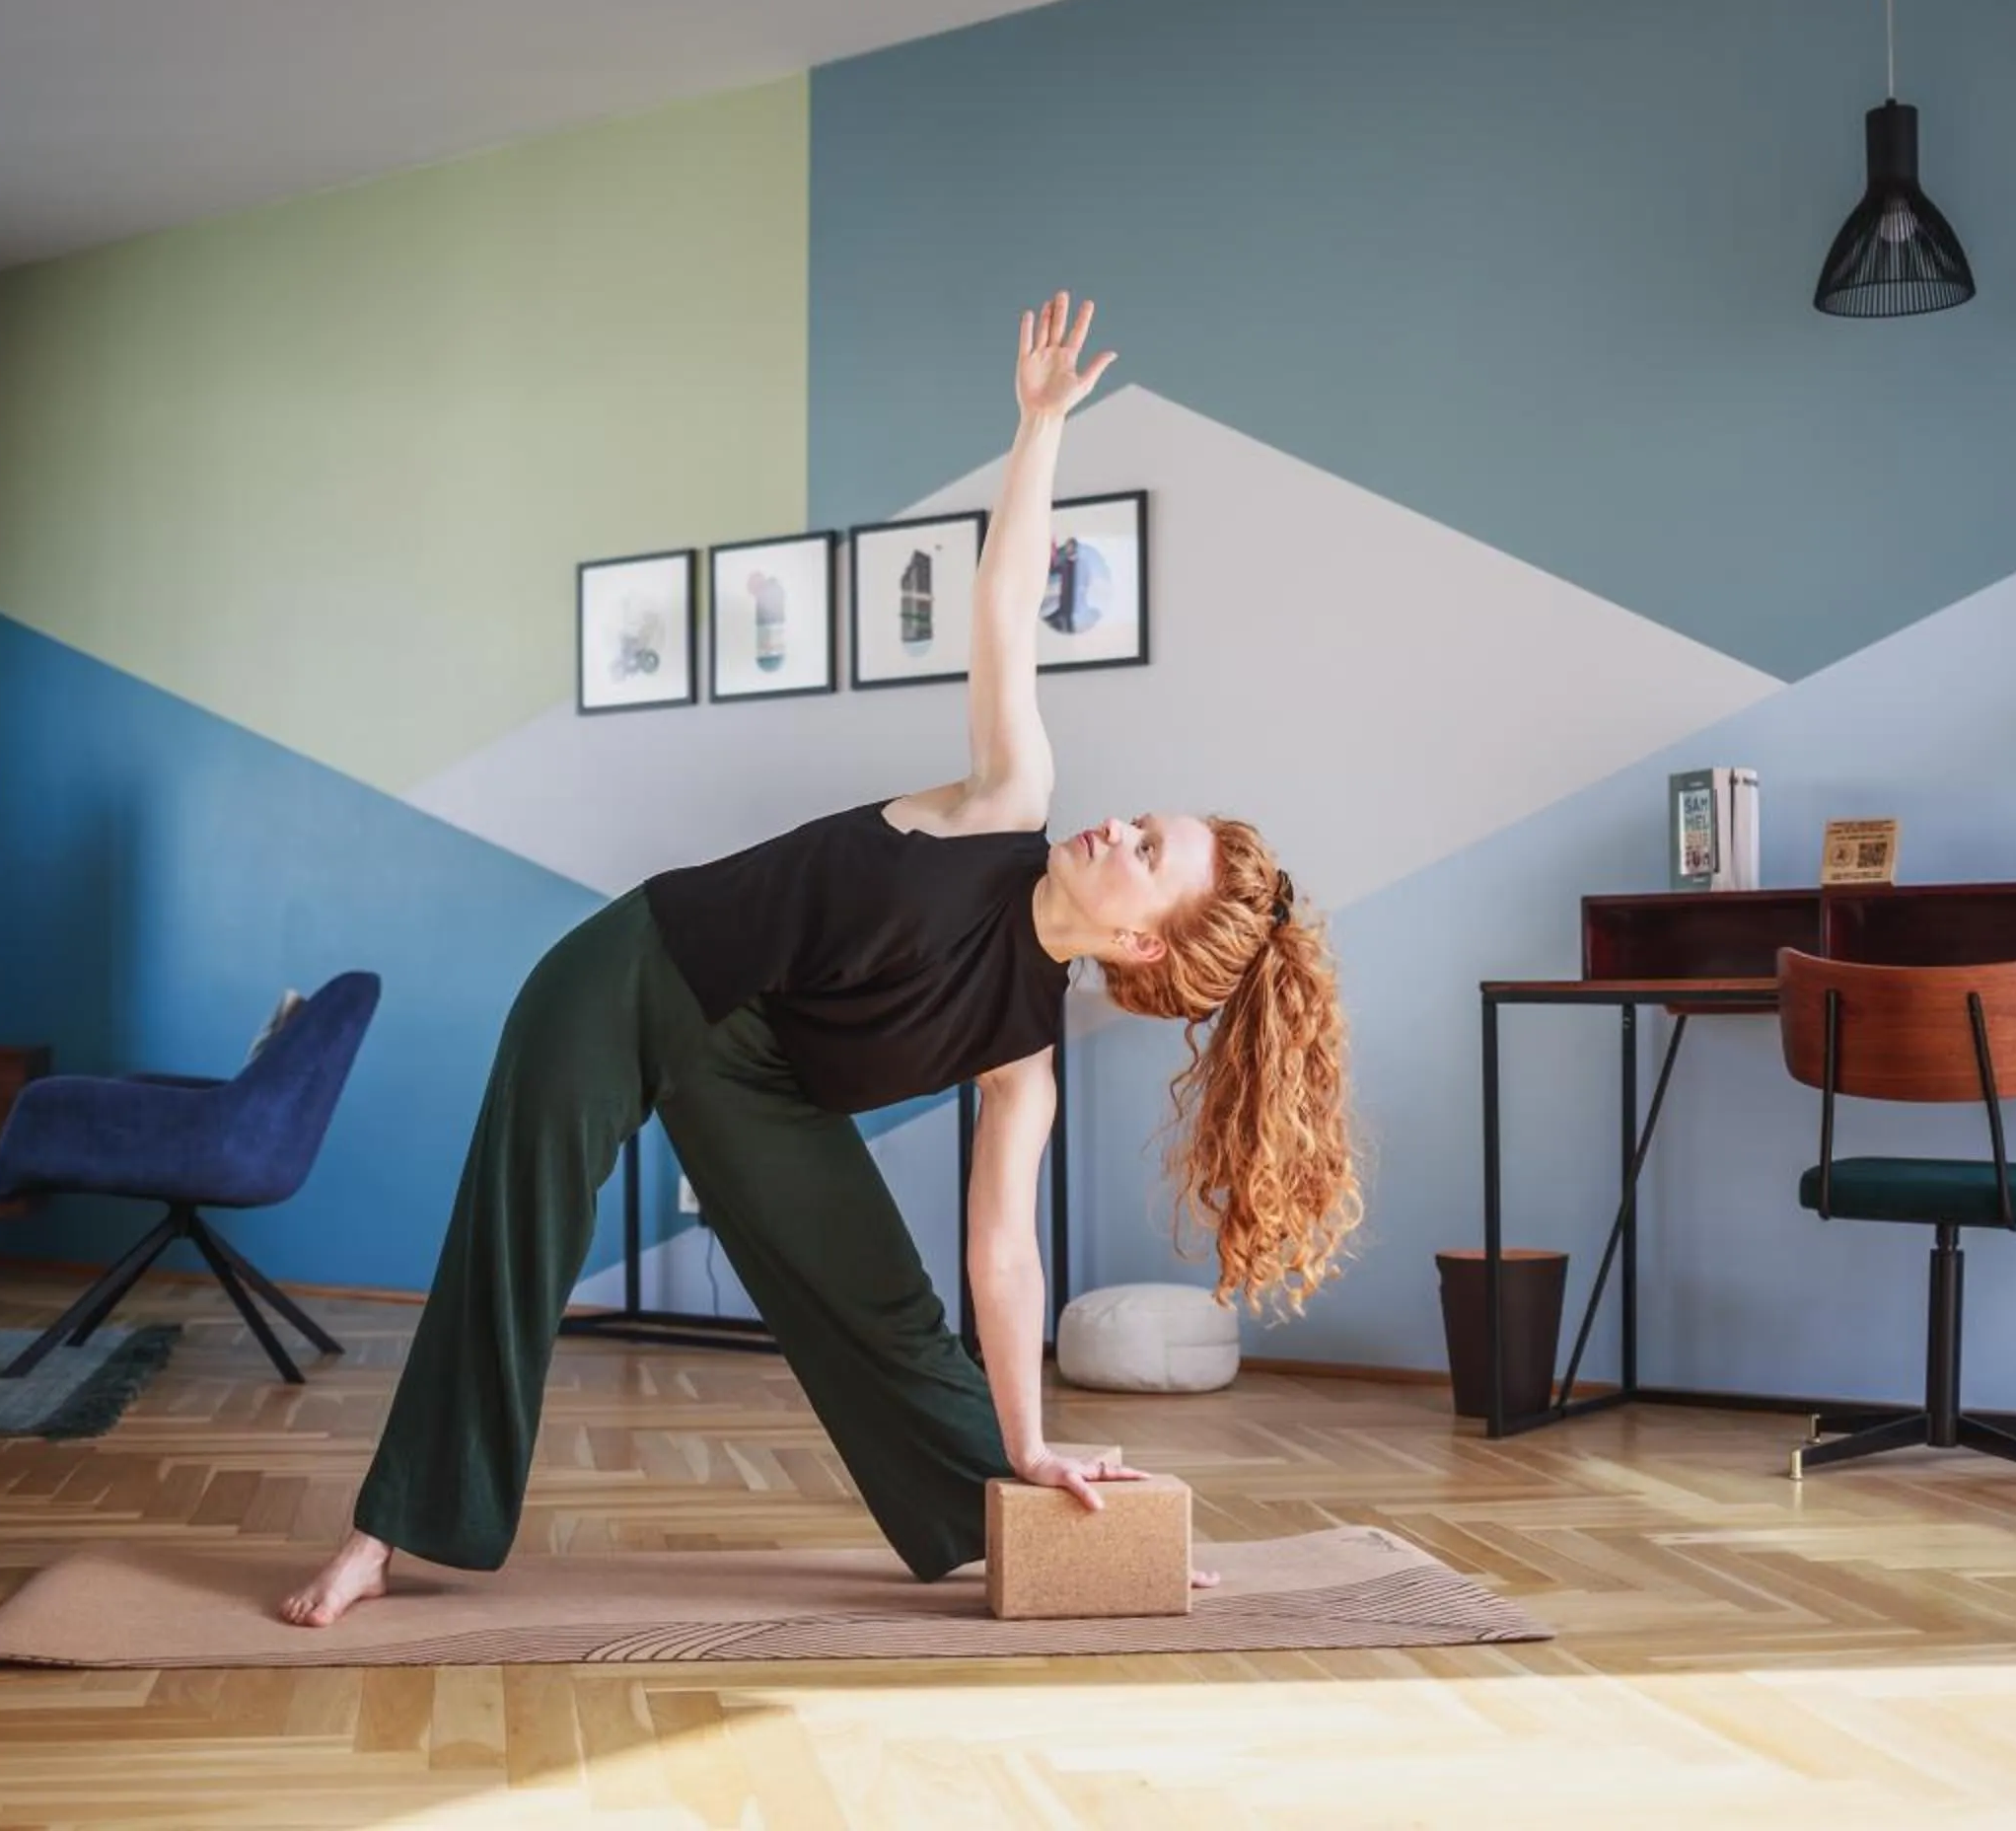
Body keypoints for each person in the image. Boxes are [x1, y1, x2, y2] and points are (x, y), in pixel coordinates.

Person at [281, 291, 1361, 1628]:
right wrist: (1039, 433)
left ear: (1142, 940)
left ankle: (1014, 1522)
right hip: (633, 974)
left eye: (1146, 851)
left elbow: (1002, 1262)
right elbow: (1008, 608)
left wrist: (1027, 1442)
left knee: (886, 1303)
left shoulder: (1024, 1058)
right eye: (1146, 821)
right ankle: (387, 1538)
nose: (1120, 828)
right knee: (520, 1235)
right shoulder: (1007, 798)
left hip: (759, 1080)